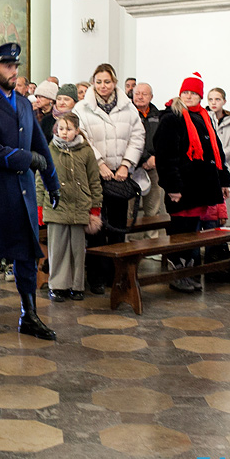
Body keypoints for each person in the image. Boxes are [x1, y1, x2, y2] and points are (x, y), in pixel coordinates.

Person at [0, 43, 61, 340]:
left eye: (16, 66)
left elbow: (40, 146)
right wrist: (26, 159)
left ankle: (28, 314)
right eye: (7, 66)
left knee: (26, 254)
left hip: (22, 190)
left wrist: (52, 181)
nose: (14, 71)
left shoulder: (22, 103)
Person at [153, 72, 230, 293]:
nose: (189, 96)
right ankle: (178, 274)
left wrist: (223, 181)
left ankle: (189, 273)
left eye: (194, 93)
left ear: (200, 96)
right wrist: (173, 186)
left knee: (194, 234)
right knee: (181, 232)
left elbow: (217, 153)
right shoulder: (172, 117)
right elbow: (166, 155)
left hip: (201, 186)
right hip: (183, 187)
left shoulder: (204, 117)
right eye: (185, 92)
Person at [73, 63, 145, 294]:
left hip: (120, 177)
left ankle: (116, 275)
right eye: (99, 81)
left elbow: (137, 136)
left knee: (117, 228)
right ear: (93, 83)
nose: (103, 86)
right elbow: (81, 137)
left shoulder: (128, 108)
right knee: (95, 228)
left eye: (107, 81)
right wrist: (100, 164)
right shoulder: (81, 108)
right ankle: (95, 277)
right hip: (94, 176)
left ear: (114, 83)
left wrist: (126, 165)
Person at [38, 113, 102, 302]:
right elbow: (40, 180)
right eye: (61, 128)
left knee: (77, 250)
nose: (64, 133)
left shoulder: (86, 151)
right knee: (57, 249)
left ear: (77, 130)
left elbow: (94, 180)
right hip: (56, 205)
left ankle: (76, 285)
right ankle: (57, 286)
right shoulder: (48, 150)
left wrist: (95, 207)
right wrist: (40, 206)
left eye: (69, 129)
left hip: (79, 206)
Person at [132, 82, 165, 230]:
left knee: (153, 209)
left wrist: (155, 158)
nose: (140, 97)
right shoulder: (128, 113)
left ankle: (152, 246)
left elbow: (164, 139)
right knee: (129, 210)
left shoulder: (158, 115)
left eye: (144, 94)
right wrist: (145, 158)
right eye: (137, 93)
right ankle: (129, 245)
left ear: (151, 97)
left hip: (154, 166)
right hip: (131, 167)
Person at [207, 87, 230, 223]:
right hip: (208, 168)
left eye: (217, 99)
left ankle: (218, 239)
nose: (214, 102)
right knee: (209, 211)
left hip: (224, 167)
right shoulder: (203, 118)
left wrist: (217, 156)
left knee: (221, 209)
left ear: (224, 101)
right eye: (210, 99)